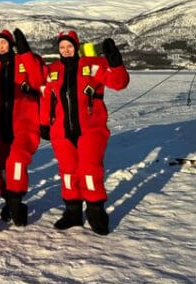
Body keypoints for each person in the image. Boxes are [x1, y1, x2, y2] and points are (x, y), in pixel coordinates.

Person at [40, 31, 129, 235]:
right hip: (61, 131)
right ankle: (73, 213)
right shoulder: (53, 70)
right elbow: (46, 99)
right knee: (68, 173)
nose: (66, 50)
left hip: (90, 129)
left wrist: (115, 62)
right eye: (62, 47)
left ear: (76, 46)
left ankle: (96, 213)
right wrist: (44, 123)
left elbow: (119, 83)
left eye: (69, 46)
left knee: (90, 171)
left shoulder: (91, 65)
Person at [0, 28, 47, 227]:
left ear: (11, 44)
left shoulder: (27, 60)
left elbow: (39, 80)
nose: (1, 47)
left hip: (25, 122)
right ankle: (9, 201)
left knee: (17, 160)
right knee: (3, 166)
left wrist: (26, 52)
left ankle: (16, 200)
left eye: (4, 43)